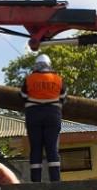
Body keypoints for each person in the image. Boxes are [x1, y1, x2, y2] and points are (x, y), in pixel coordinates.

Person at [20, 54, 66, 182]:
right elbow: (63, 98)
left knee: (36, 149)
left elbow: (23, 96)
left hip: (33, 116)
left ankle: (36, 182)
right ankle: (56, 181)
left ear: (36, 65)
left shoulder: (29, 79)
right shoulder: (58, 79)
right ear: (49, 64)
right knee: (52, 149)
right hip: (53, 116)